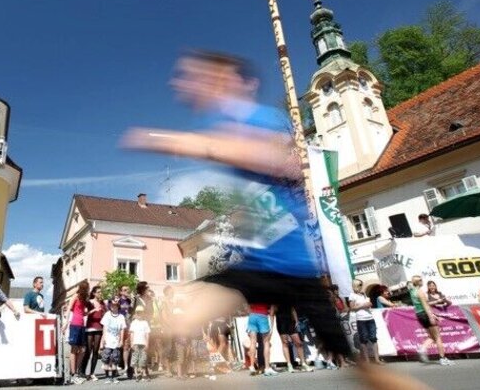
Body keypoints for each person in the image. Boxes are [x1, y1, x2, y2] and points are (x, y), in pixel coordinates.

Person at [122, 50, 429, 390]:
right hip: (265, 259)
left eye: (197, 76)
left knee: (357, 367)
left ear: (232, 80)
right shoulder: (229, 123)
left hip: (289, 263)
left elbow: (281, 162)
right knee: (184, 319)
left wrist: (186, 143)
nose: (186, 84)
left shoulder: (258, 118)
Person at [408, 275, 453, 366]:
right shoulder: (420, 292)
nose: (422, 281)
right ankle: (442, 358)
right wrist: (431, 316)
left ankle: (422, 348)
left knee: (432, 337)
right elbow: (425, 305)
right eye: (421, 280)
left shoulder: (412, 291)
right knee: (437, 337)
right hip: (425, 314)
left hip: (419, 314)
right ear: (419, 282)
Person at [349, 279, 382, 365]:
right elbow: (352, 307)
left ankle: (377, 359)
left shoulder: (364, 294)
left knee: (374, 338)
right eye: (360, 285)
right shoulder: (352, 295)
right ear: (355, 285)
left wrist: (369, 304)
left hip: (370, 317)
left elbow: (369, 303)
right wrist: (363, 305)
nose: (361, 286)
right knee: (363, 340)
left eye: (361, 285)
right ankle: (367, 360)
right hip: (361, 319)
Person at [64, 279, 90, 384]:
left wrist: (91, 312)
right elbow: (69, 308)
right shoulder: (75, 296)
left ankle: (76, 372)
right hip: (74, 324)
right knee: (74, 349)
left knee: (83, 349)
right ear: (84, 288)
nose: (88, 290)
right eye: (87, 288)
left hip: (81, 325)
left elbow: (82, 314)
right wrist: (66, 323)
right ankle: (73, 374)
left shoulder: (84, 299)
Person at [277, 303, 313, 372]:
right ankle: (289, 365)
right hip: (281, 320)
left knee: (298, 342)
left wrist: (296, 321)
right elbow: (273, 310)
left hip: (291, 320)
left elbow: (292, 309)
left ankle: (303, 364)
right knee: (285, 343)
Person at [100, 297, 126, 383]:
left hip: (116, 341)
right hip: (108, 341)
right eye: (111, 305)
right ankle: (108, 377)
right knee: (106, 359)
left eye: (115, 305)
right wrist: (103, 340)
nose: (113, 307)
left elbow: (122, 329)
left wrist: (121, 341)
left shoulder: (121, 317)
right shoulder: (107, 314)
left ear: (118, 306)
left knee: (115, 359)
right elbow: (105, 328)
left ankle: (114, 377)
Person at [83, 285, 106, 380]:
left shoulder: (102, 303)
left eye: (101, 292)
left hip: (99, 328)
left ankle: (92, 373)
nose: (100, 294)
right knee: (88, 350)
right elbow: (84, 313)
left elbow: (104, 314)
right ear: (94, 293)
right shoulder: (89, 302)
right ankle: (82, 372)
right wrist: (93, 310)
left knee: (96, 351)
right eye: (98, 292)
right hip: (90, 327)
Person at [245, 302, 274, 376]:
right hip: (263, 316)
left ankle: (251, 366)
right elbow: (272, 312)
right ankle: (267, 368)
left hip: (252, 316)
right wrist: (272, 328)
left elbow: (247, 307)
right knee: (266, 342)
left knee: (252, 342)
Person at [129, 306, 151, 381]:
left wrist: (147, 343)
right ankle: (136, 374)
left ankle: (143, 373)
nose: (139, 314)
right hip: (135, 343)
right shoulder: (133, 323)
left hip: (143, 343)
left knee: (143, 359)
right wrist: (131, 343)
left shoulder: (145, 322)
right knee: (135, 359)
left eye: (141, 313)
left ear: (143, 313)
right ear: (136, 313)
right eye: (138, 313)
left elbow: (147, 334)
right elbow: (131, 334)